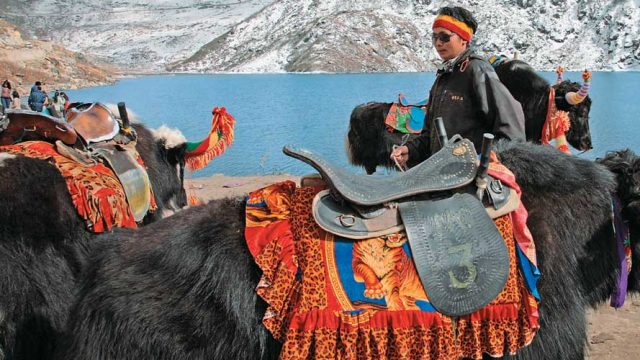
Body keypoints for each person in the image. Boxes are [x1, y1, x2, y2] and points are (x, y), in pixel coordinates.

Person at [390, 6, 526, 169]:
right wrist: (409, 150)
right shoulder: (443, 77)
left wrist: (486, 164)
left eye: (445, 37)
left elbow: (511, 128)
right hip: (443, 174)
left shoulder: (477, 70)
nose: (438, 43)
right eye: (434, 37)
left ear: (463, 39)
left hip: (469, 178)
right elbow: (430, 136)